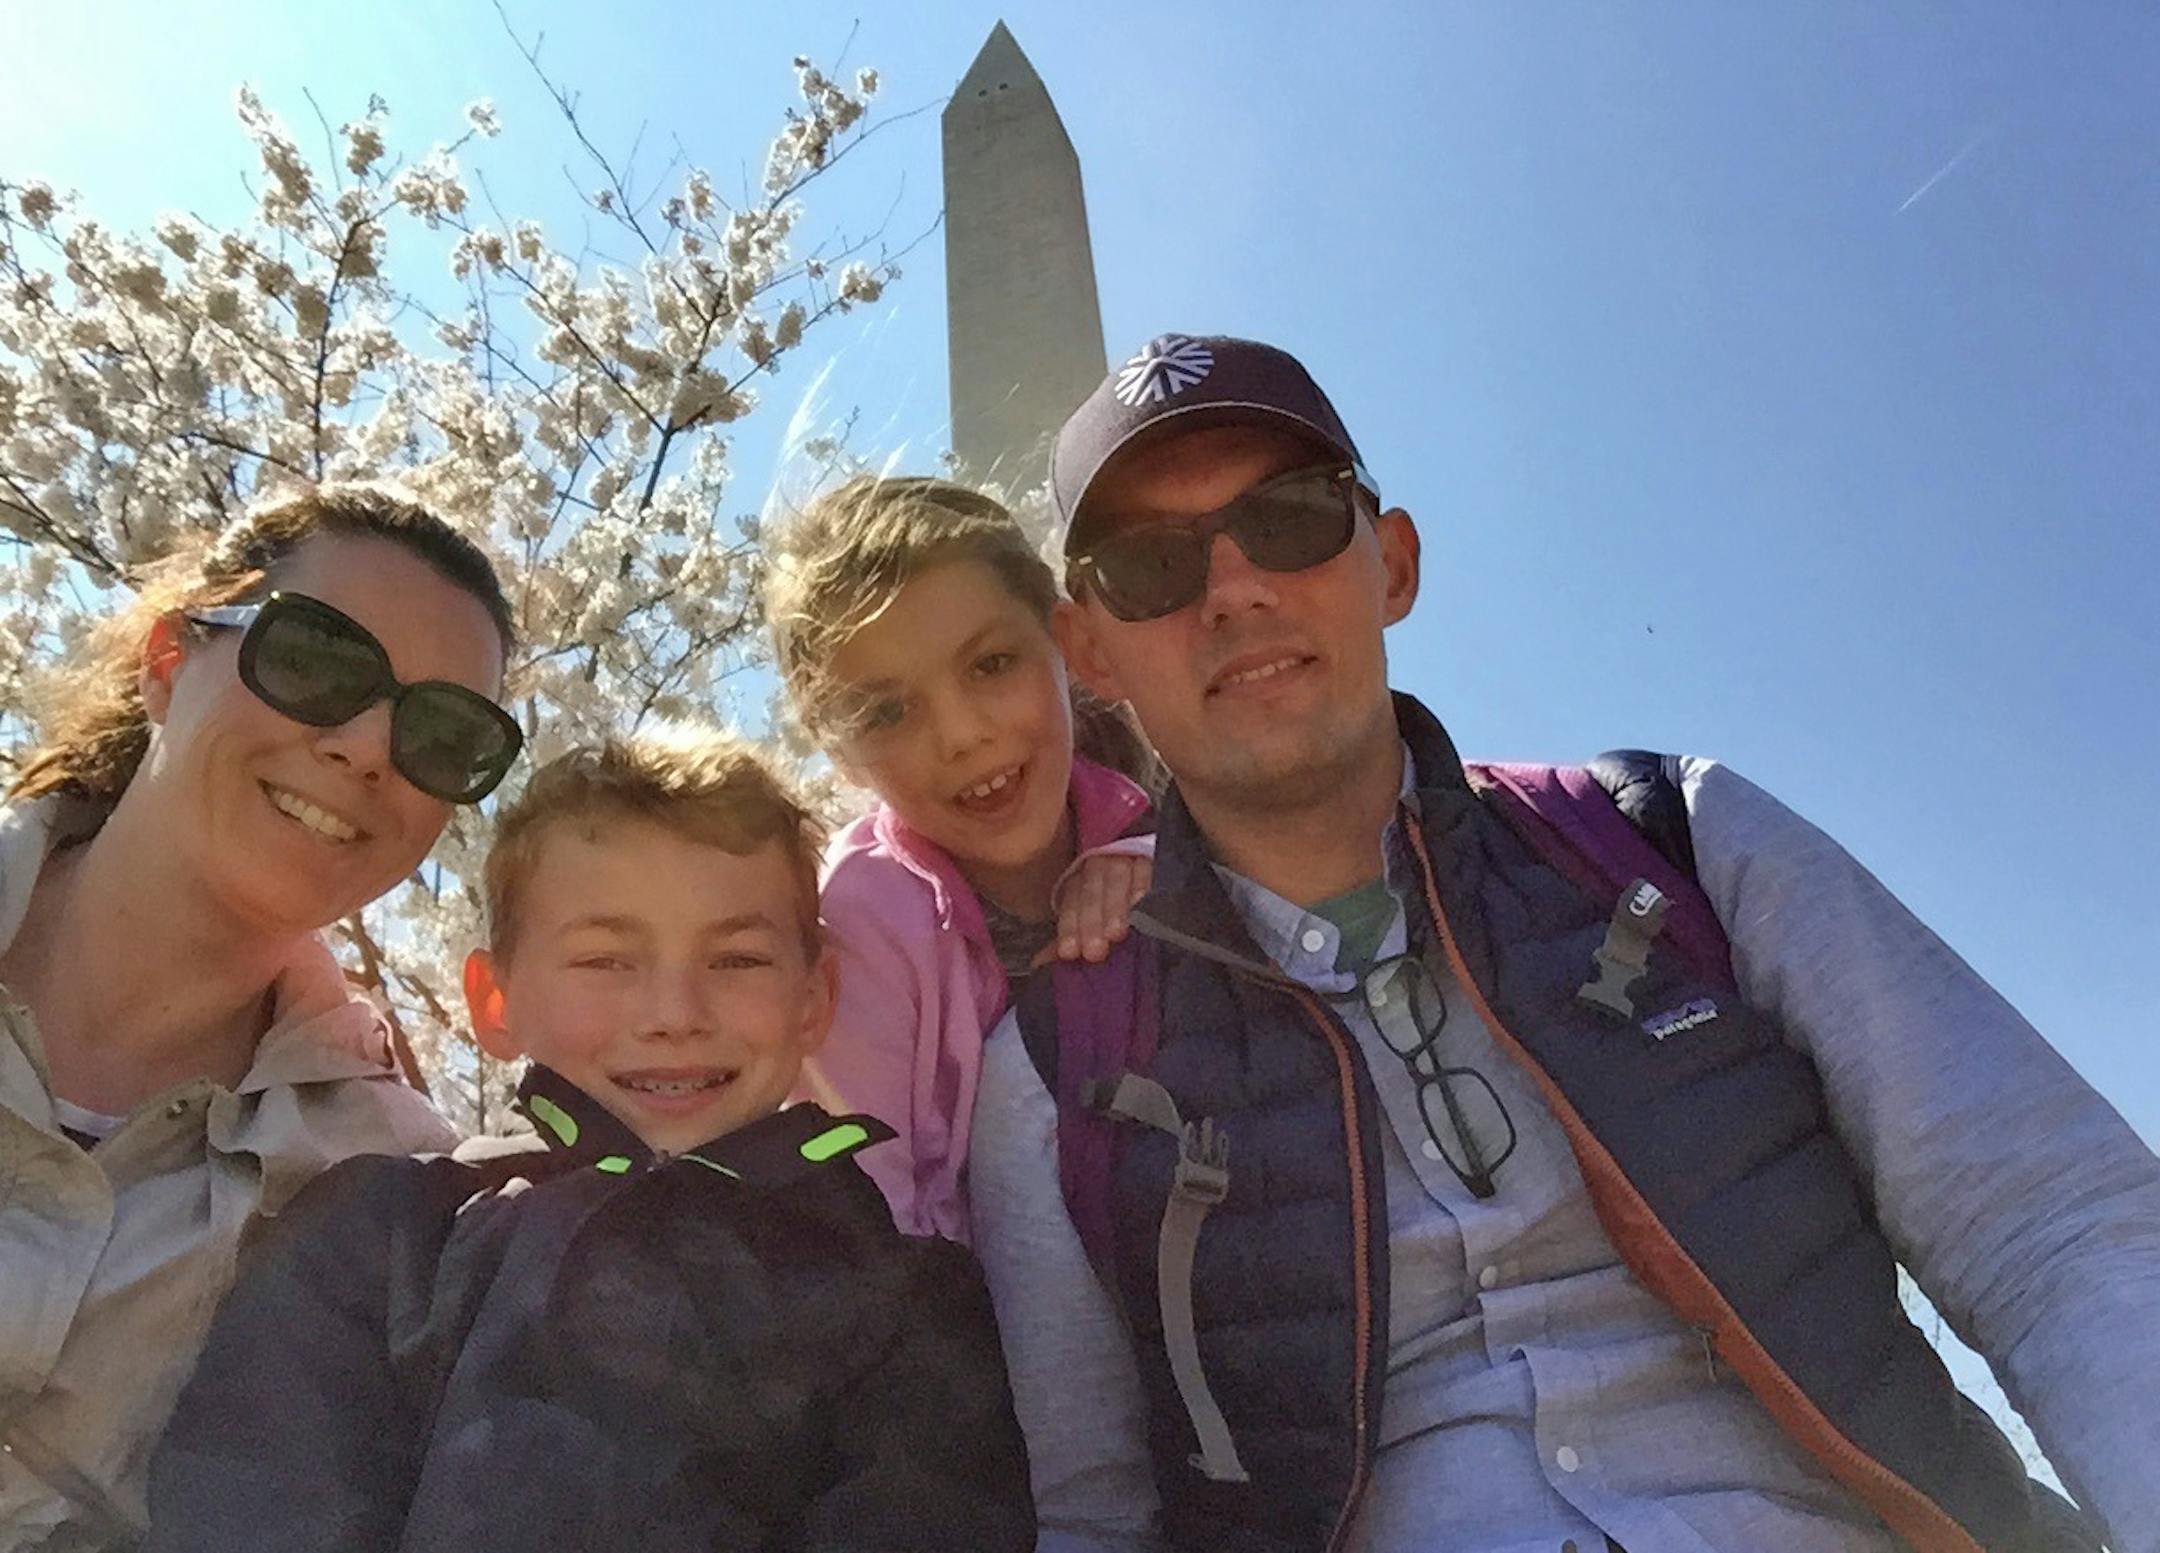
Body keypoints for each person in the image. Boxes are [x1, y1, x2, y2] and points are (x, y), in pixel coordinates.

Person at [966, 334, 2160, 1553]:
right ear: (1090, 652)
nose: (1232, 589)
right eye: (1151, 565)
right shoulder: (1057, 1070)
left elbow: (2052, 1225)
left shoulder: (1681, 841)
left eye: (1288, 518)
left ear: (1394, 561)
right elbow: (1094, 1517)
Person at [143, 731, 1037, 1552]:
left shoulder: (902, 1299)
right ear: (496, 1002)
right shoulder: (388, 1237)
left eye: (737, 959)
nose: (675, 1014)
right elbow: (255, 1500)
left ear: (815, 999)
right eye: (607, 960)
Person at [0, 484, 519, 1548]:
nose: (368, 746)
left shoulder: (395, 1193)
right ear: (165, 662)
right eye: (319, 659)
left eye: (444, 733)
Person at [764, 475, 1155, 1240]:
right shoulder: (860, 926)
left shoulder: (1154, 828)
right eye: (888, 711)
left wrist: (1154, 865)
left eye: (992, 664)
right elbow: (862, 1227)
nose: (962, 735)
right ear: (838, 751)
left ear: (1066, 641)